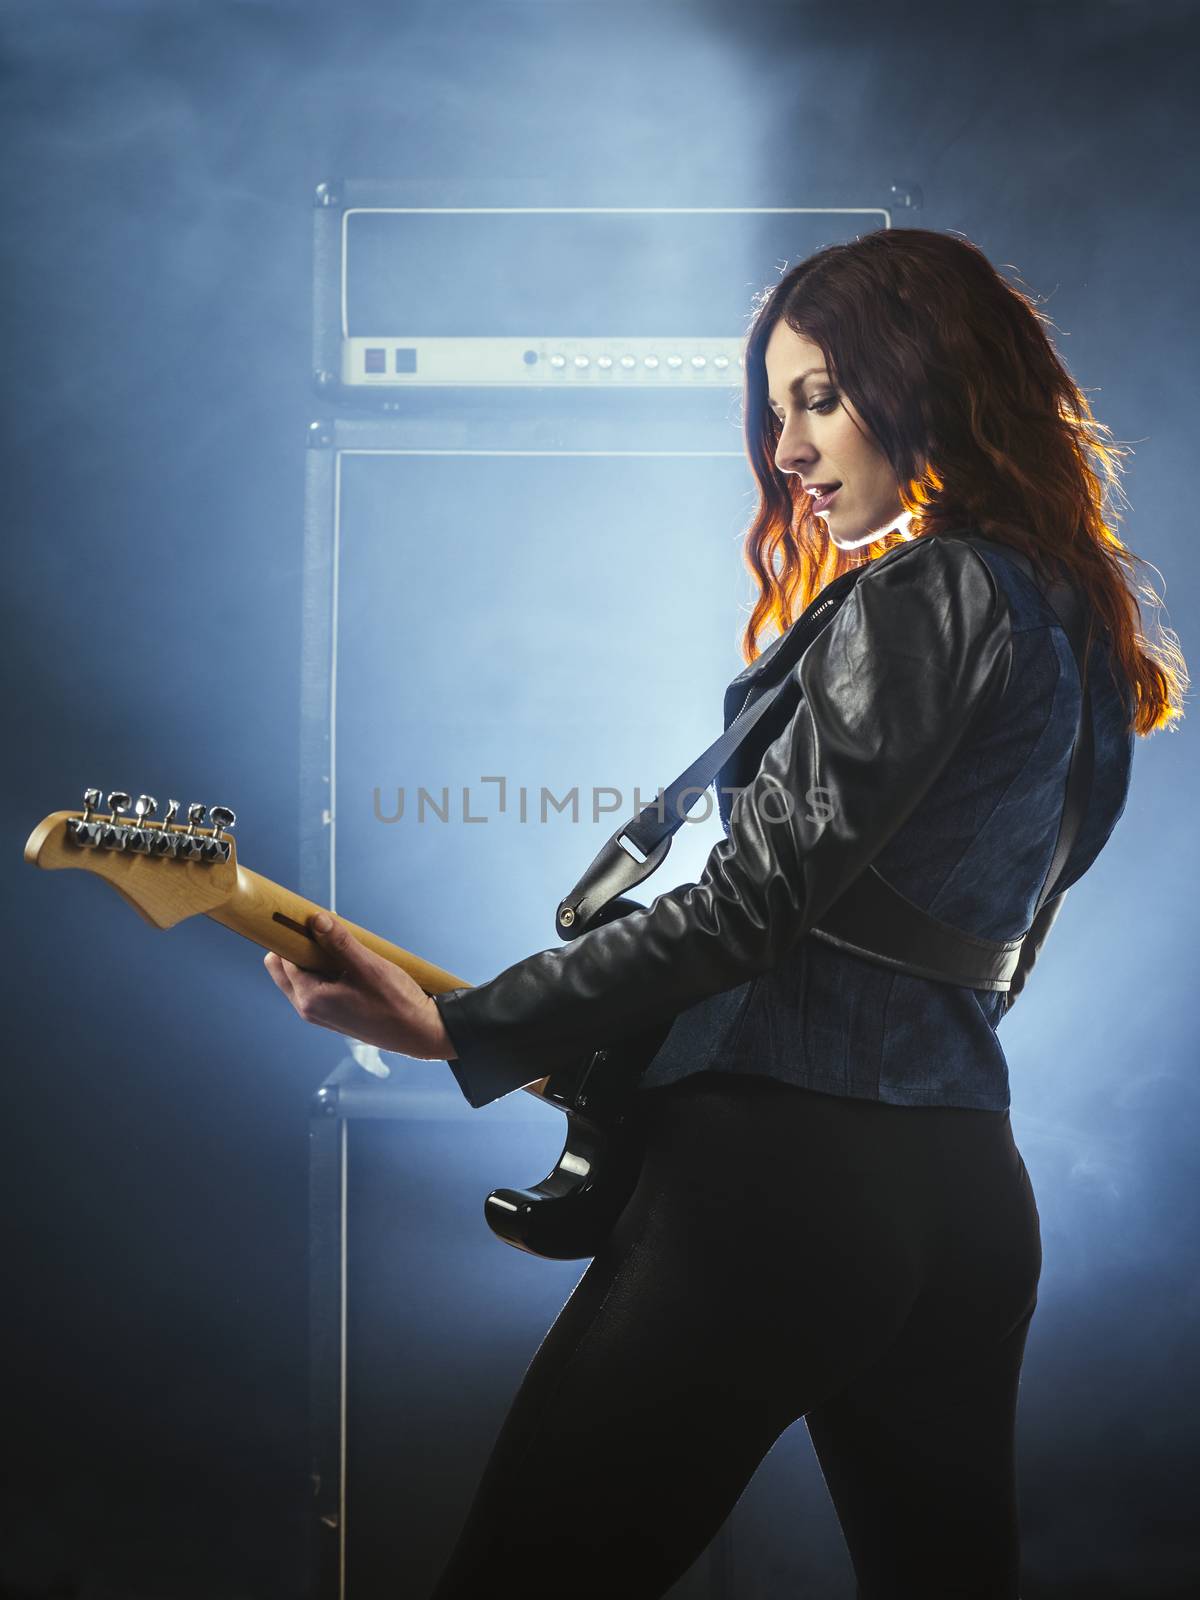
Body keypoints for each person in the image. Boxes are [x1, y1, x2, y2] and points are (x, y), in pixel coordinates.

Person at [264, 228, 1187, 1598]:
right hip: (969, 1201)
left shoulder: (928, 593)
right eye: (775, 411)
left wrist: (463, 1025)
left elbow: (751, 910)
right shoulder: (1076, 619)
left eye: (820, 396)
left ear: (924, 377)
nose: (791, 449)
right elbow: (919, 937)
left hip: (779, 1195)